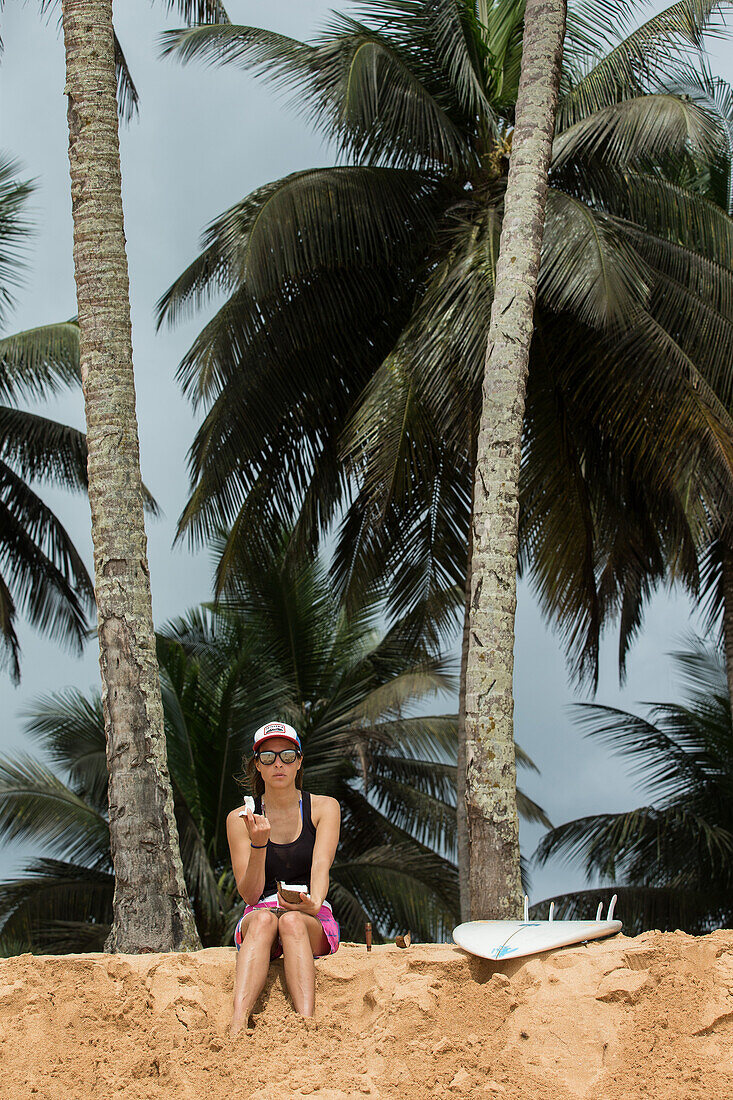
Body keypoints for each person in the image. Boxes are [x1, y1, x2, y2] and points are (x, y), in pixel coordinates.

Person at [227, 720, 341, 1034]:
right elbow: (250, 896)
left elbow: (321, 866)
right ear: (257, 766)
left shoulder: (323, 808)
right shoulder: (239, 819)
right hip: (260, 913)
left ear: (299, 762)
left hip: (308, 914)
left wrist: (312, 903)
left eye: (287, 756)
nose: (278, 763)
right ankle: (237, 1025)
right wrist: (259, 842)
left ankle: (306, 1026)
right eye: (268, 757)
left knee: (290, 922)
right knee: (264, 920)